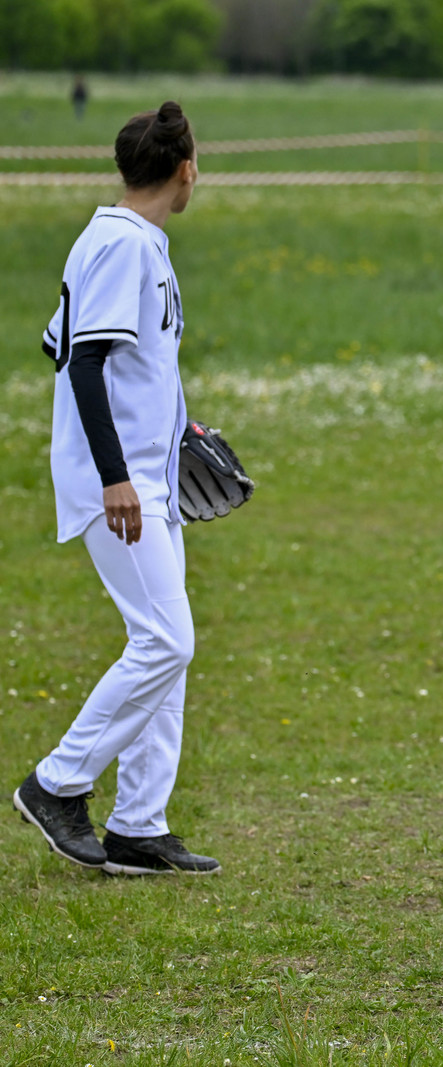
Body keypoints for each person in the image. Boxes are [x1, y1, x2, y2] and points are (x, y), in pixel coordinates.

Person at [12, 101, 220, 877]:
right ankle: (56, 784)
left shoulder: (136, 242)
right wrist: (114, 476)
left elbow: (87, 354)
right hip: (120, 486)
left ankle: (139, 823)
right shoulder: (122, 245)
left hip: (146, 476)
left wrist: (177, 430)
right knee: (167, 639)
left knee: (166, 647)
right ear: (185, 170)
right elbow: (84, 363)